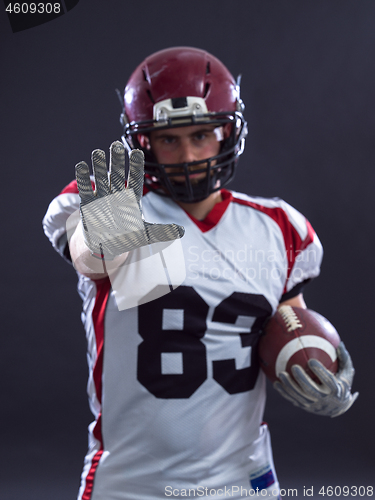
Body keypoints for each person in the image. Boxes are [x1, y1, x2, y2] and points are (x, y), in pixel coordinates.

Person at [43, 47, 358, 500]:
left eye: (201, 135)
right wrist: (115, 224)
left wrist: (313, 363)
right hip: (133, 483)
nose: (188, 154)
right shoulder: (114, 201)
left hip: (243, 479)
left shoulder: (280, 227)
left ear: (228, 133)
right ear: (143, 143)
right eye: (169, 139)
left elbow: (286, 321)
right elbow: (92, 262)